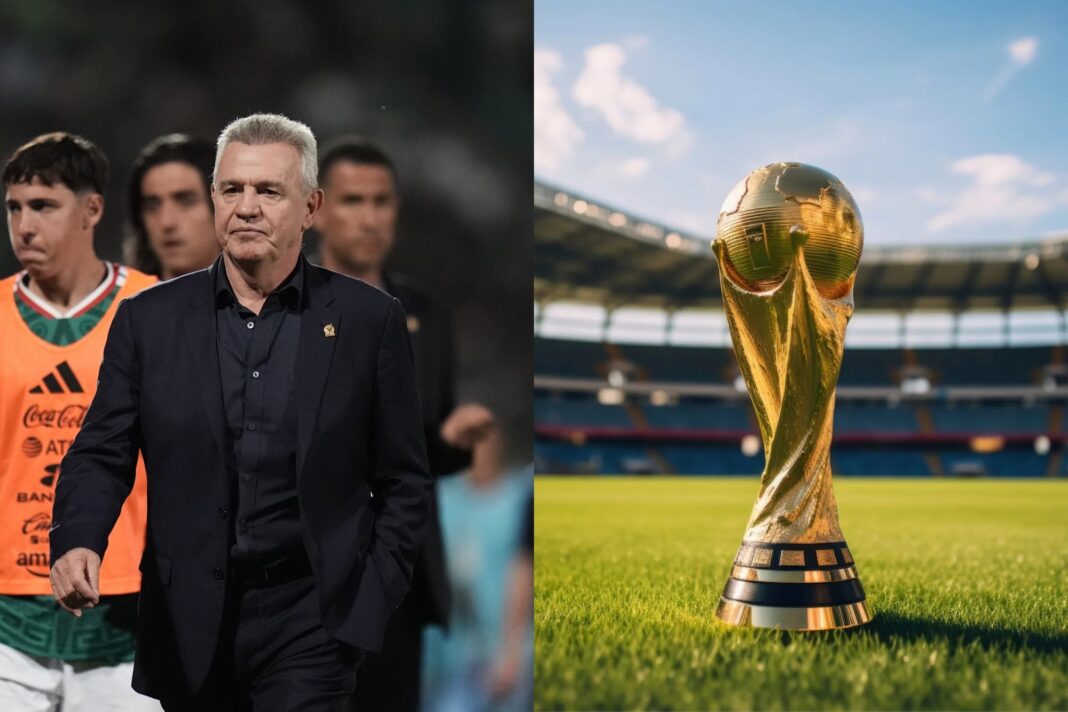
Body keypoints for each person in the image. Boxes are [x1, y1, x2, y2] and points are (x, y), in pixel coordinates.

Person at [49, 113, 433, 710]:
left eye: (269, 191)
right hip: (189, 623)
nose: (247, 207)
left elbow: (403, 479)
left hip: (313, 624)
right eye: (233, 189)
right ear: (214, 199)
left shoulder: (369, 320)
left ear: (311, 208)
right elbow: (102, 450)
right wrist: (78, 538)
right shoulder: (148, 320)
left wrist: (369, 599)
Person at [315, 138, 495, 711]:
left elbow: (418, 458)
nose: (370, 217)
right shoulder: (278, 306)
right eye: (352, 201)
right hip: (306, 577)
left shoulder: (427, 310)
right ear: (316, 209)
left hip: (401, 578)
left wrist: (450, 443)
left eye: (382, 201)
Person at [1, 132, 158, 710]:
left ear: (92, 209)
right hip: (7, 617)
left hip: (126, 616)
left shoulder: (154, 310)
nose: (24, 225)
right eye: (14, 207)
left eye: (43, 206)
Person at [421, 421, 533, 712]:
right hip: (447, 647)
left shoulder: (517, 497)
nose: (480, 453)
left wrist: (512, 650)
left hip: (499, 640)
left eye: (487, 444)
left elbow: (522, 570)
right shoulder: (443, 495)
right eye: (473, 444)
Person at [124, 133, 220, 280]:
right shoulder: (120, 301)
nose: (166, 223)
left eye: (185, 201)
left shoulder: (263, 300)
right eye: (153, 206)